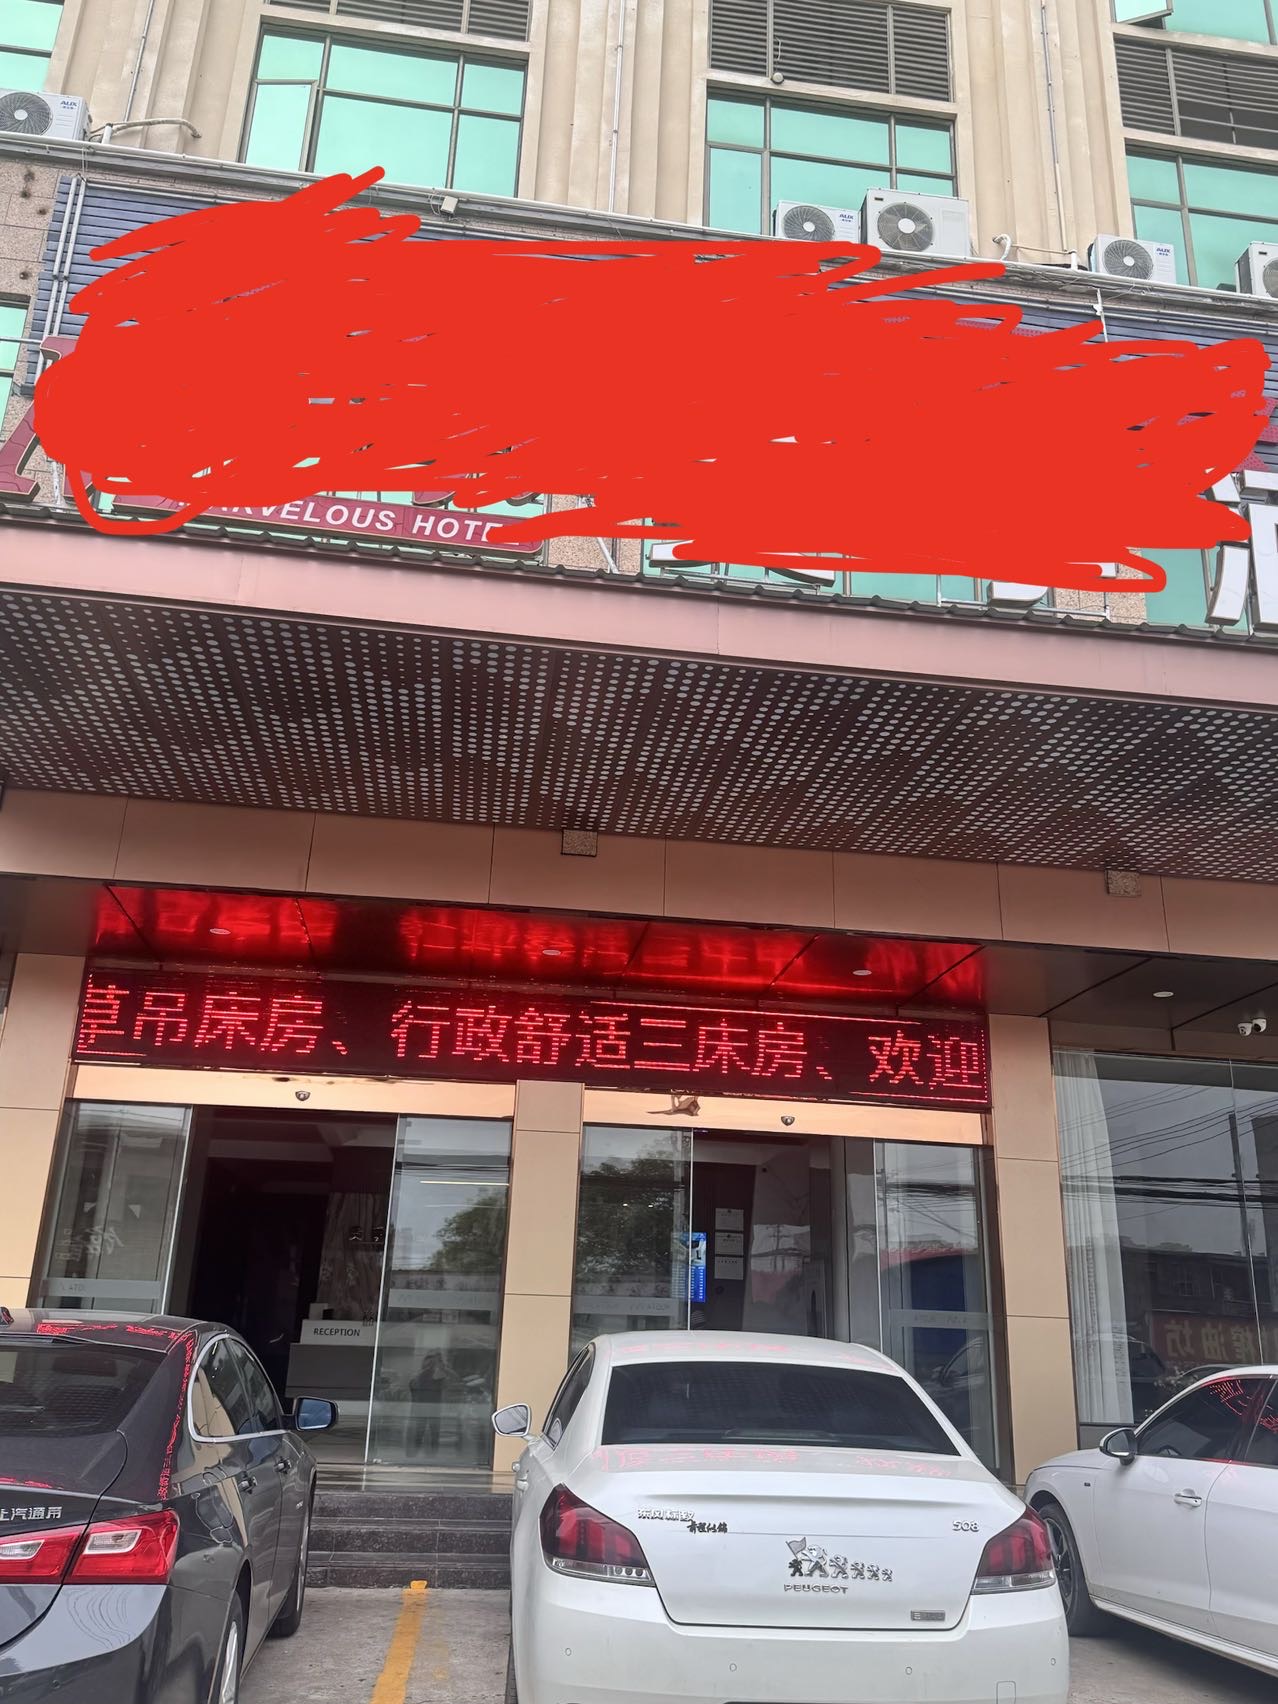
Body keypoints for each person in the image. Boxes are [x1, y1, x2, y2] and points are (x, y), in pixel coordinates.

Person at [407, 1350, 449, 1459]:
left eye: (434, 1362)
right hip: (422, 1407)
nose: (431, 1364)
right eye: (429, 1361)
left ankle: (431, 1455)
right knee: (419, 1431)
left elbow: (446, 1385)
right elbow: (413, 1385)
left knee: (433, 1431)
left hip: (433, 1407)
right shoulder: (421, 1375)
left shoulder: (440, 1374)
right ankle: (414, 1454)